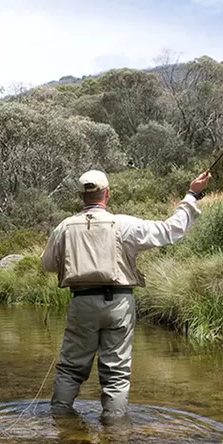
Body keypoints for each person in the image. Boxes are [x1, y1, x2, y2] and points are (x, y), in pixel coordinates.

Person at [40, 169, 211, 421]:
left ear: (80, 196)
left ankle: (60, 421)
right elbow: (170, 230)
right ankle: (114, 428)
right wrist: (192, 195)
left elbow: (48, 265)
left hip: (81, 303)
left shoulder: (64, 227)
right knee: (116, 373)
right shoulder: (124, 224)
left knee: (71, 368)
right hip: (119, 303)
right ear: (107, 194)